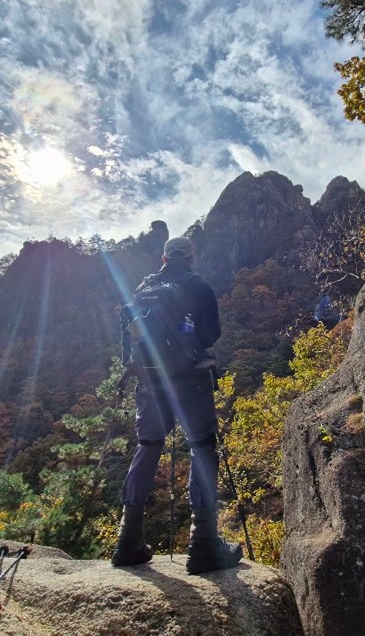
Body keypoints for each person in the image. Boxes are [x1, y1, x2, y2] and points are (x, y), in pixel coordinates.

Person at [111, 236, 243, 575]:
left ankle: (128, 540)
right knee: (201, 447)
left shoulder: (142, 290)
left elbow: (130, 336)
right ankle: (204, 544)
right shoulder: (198, 286)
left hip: (149, 381)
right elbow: (211, 334)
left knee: (148, 446)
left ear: (164, 258)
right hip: (189, 381)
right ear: (192, 256)